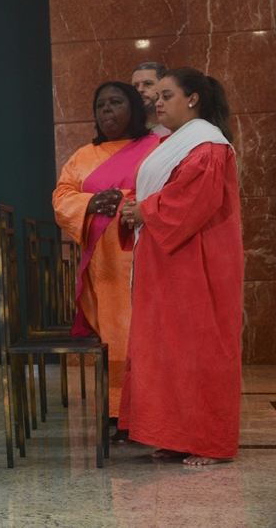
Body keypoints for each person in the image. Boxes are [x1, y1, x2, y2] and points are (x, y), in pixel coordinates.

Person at [119, 67, 243, 466]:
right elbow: (158, 192)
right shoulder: (174, 143)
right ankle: (174, 435)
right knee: (168, 350)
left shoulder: (207, 145)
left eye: (166, 95)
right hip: (165, 260)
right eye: (157, 96)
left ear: (193, 99)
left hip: (196, 262)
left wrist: (144, 211)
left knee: (199, 349)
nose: (157, 102)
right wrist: (133, 209)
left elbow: (191, 201)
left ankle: (209, 443)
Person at [51, 82, 158, 437]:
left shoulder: (156, 147)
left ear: (135, 108)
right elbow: (61, 196)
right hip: (105, 267)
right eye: (100, 105)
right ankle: (117, 412)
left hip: (148, 258)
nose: (107, 110)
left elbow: (169, 188)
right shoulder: (83, 155)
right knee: (114, 335)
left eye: (116, 102)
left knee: (149, 336)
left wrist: (126, 199)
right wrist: (91, 203)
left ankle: (153, 413)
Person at [131, 62, 169, 136]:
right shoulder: (128, 132)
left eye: (148, 84)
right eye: (135, 86)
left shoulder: (178, 125)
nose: (140, 90)